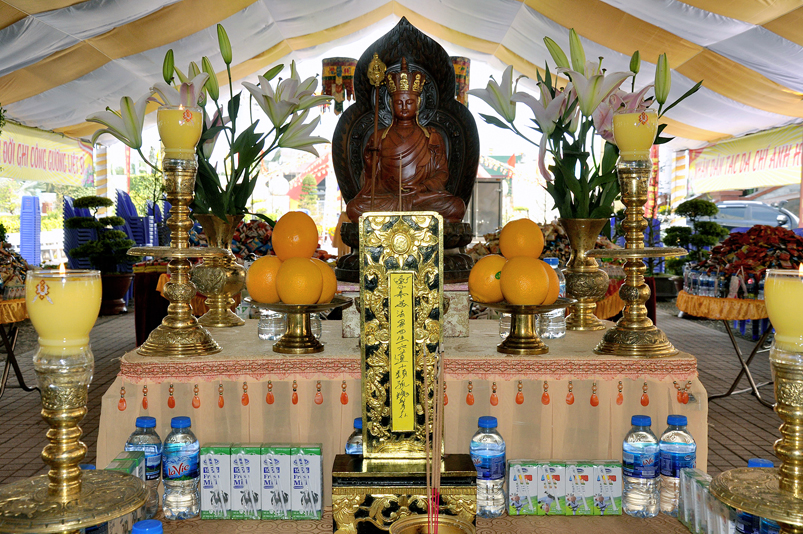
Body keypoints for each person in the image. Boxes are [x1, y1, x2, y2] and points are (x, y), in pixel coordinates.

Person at [346, 58, 465, 223]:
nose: (404, 107)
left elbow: (442, 173)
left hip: (420, 198)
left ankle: (407, 208)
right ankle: (407, 211)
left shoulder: (432, 136)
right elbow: (370, 179)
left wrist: (422, 188)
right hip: (388, 198)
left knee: (456, 206)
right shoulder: (379, 136)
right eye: (398, 103)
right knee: (354, 208)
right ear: (391, 104)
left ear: (418, 103)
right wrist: (370, 162)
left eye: (409, 102)